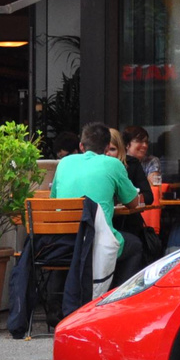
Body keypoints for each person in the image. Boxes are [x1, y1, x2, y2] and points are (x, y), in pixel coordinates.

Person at [51, 121, 143, 283]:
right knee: (135, 245)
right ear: (107, 148)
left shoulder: (64, 163)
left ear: (81, 146)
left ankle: (56, 301)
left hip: (61, 243)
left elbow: (54, 201)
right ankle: (115, 299)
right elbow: (133, 203)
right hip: (95, 242)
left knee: (74, 249)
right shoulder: (113, 164)